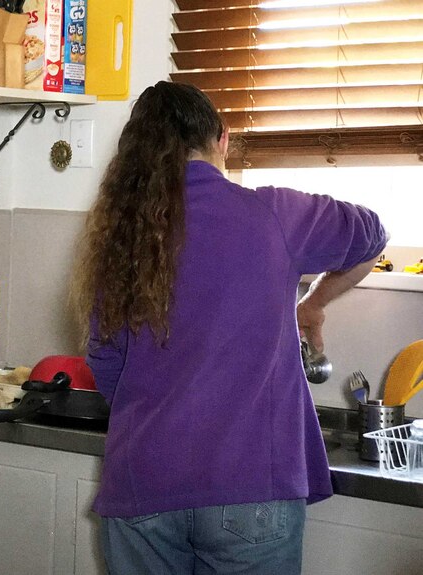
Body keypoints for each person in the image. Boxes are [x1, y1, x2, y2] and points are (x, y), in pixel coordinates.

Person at [71, 81, 387, 575]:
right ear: (223, 138)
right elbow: (373, 236)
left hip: (143, 487)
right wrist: (314, 303)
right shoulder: (276, 214)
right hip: (251, 490)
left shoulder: (122, 240)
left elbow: (108, 366)